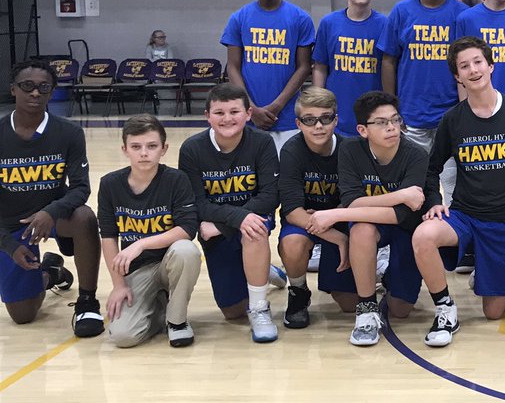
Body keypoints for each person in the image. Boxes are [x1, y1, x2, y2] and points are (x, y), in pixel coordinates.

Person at [410, 37, 505, 348]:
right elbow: (430, 170)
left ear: (490, 66)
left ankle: (490, 268)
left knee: (494, 313)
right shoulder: (453, 119)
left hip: (504, 221)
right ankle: (445, 309)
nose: (472, 70)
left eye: (477, 62)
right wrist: (433, 202)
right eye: (464, 66)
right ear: (457, 76)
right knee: (423, 236)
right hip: (464, 215)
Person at [304, 91, 429, 346]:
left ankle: (385, 271)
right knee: (347, 298)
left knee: (401, 310)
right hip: (369, 227)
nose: (392, 127)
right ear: (363, 129)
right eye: (381, 123)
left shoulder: (416, 154)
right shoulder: (350, 150)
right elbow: (352, 201)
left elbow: (402, 214)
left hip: (404, 229)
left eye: (395, 120)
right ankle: (366, 309)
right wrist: (401, 194)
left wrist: (337, 213)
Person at [0, 58, 103, 336]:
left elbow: (81, 188)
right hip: (9, 226)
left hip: (54, 217)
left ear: (51, 91)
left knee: (84, 216)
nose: (35, 93)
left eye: (43, 87)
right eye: (27, 86)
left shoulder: (68, 132)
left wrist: (51, 212)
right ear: (13, 89)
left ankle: (87, 301)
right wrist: (9, 245)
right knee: (22, 316)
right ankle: (50, 273)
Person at [178, 83, 282, 343]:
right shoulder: (192, 149)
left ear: (248, 114)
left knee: (254, 230)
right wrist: (236, 219)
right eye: (219, 112)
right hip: (214, 228)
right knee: (232, 312)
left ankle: (259, 309)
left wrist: (229, 223)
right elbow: (195, 204)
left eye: (234, 111)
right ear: (207, 116)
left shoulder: (262, 142)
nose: (227, 119)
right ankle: (263, 270)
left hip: (240, 221)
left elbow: (270, 196)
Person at [99, 114, 201, 348]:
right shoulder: (110, 184)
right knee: (123, 337)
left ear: (163, 149)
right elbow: (108, 236)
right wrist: (119, 285)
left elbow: (186, 229)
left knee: (186, 250)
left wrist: (141, 243)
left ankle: (177, 322)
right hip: (137, 270)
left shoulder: (177, 180)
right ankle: (159, 309)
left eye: (151, 146)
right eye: (136, 146)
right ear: (125, 149)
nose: (144, 153)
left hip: (169, 262)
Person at [380, 0, 465, 208]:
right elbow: (388, 61)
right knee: (410, 184)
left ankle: (455, 242)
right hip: (410, 115)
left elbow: (467, 66)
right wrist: (391, 106)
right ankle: (408, 241)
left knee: (453, 183)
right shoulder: (402, 12)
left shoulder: (461, 14)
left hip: (449, 115)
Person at [222, 0, 316, 152]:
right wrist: (251, 108)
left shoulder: (300, 18)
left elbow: (304, 66)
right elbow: (232, 67)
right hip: (247, 116)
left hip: (288, 117)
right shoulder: (239, 18)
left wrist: (277, 106)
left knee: (286, 177)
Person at [274, 87, 346, 331]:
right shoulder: (291, 151)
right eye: (309, 120)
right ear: (298, 123)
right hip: (303, 222)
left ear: (336, 120)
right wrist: (337, 238)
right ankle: (298, 292)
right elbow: (293, 211)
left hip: (339, 219)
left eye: (326, 118)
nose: (318, 126)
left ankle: (369, 275)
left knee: (348, 305)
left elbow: (353, 202)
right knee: (292, 244)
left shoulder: (349, 149)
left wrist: (335, 222)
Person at [312, 0, 387, 138]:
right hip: (338, 115)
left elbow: (390, 68)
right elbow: (320, 67)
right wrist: (318, 105)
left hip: (373, 115)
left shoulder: (385, 24)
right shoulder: (329, 23)